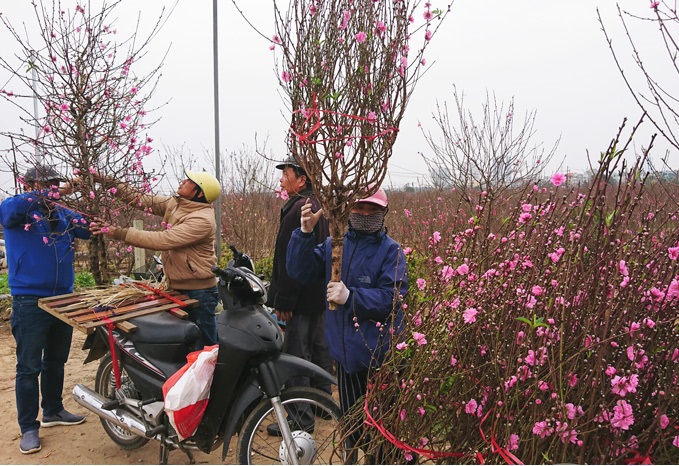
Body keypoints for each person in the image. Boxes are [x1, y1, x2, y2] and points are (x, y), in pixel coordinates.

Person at [286, 185, 408, 462]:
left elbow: (393, 299)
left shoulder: (392, 252)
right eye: (359, 207)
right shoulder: (335, 245)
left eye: (372, 209)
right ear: (348, 210)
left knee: (382, 431)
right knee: (352, 425)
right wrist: (304, 233)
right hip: (345, 356)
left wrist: (352, 296)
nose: (365, 214)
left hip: (379, 357)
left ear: (384, 213)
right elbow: (299, 271)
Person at [0, 164, 91, 454]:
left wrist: (91, 205)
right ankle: (28, 427)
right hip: (29, 299)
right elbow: (9, 211)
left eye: (55, 183)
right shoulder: (16, 211)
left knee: (56, 360)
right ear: (29, 185)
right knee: (28, 367)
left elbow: (88, 230)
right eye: (46, 184)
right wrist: (45, 195)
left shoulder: (63, 214)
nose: (52, 188)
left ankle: (53, 410)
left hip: (63, 297)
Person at [90, 170, 221, 349]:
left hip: (199, 293)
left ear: (199, 192)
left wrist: (118, 232)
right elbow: (142, 200)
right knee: (182, 345)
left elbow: (164, 240)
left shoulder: (202, 220)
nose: (183, 181)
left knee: (205, 349)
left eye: (190, 181)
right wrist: (109, 182)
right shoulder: (176, 204)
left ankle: (212, 378)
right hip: (176, 287)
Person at [265, 155, 334, 437]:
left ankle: (299, 419)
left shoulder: (298, 210)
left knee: (296, 355)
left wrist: (284, 300)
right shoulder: (317, 205)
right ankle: (323, 404)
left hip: (299, 296)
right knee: (318, 349)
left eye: (286, 174)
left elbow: (288, 260)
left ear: (301, 180)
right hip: (317, 294)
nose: (282, 179)